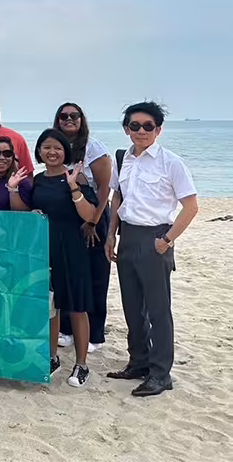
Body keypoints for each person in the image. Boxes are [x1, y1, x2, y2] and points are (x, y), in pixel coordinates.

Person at [105, 102, 198, 397]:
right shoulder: (123, 160)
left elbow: (191, 206)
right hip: (128, 237)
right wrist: (110, 235)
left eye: (148, 126)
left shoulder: (171, 163)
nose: (141, 131)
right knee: (132, 308)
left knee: (158, 310)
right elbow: (116, 198)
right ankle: (139, 362)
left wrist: (167, 239)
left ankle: (160, 373)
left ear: (158, 130)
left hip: (155, 238)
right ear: (126, 129)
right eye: (135, 126)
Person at [19, 129, 99, 387]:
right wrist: (22, 201)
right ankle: (52, 357)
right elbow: (28, 210)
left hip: (72, 248)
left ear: (65, 151)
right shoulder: (38, 180)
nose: (52, 152)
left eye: (57, 148)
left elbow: (89, 215)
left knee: (77, 307)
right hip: (45, 248)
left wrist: (74, 186)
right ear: (39, 152)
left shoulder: (78, 178)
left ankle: (82, 364)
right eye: (46, 148)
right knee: (51, 307)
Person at [53, 103, 113, 353]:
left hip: (94, 214)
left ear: (81, 119)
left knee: (96, 275)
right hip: (67, 216)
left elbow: (103, 188)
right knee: (69, 273)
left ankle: (95, 334)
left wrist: (93, 222)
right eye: (63, 116)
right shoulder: (56, 147)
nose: (69, 119)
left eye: (74, 116)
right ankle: (66, 329)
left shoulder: (93, 148)